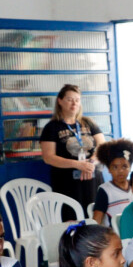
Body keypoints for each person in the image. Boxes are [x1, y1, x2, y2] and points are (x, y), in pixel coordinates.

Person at [39, 84, 105, 215]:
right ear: (60, 101)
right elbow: (48, 157)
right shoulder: (51, 127)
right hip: (67, 184)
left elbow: (103, 146)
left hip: (92, 179)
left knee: (96, 218)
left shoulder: (88, 123)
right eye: (69, 99)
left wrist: (90, 164)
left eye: (77, 99)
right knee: (72, 221)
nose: (74, 103)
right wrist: (78, 165)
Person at [92, 138, 133, 227]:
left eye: (124, 166)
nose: (120, 171)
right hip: (116, 235)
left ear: (130, 168)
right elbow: (97, 220)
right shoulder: (105, 190)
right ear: (109, 169)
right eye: (115, 167)